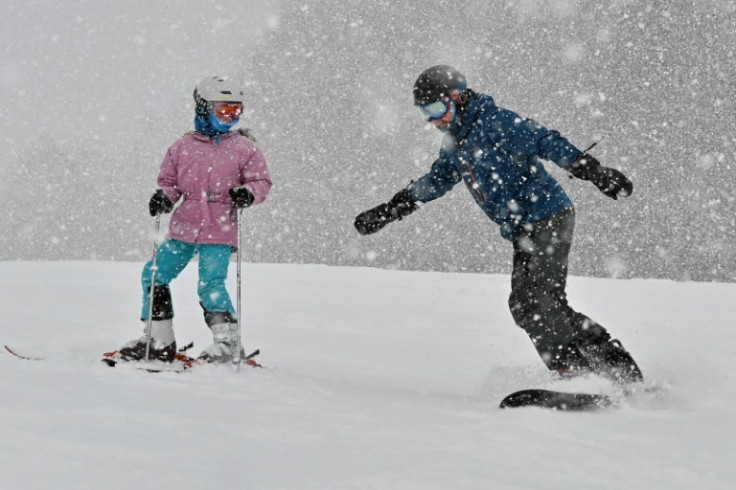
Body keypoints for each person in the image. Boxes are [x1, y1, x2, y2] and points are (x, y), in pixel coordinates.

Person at [355, 65, 643, 384]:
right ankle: (612, 363)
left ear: (458, 98)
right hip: (524, 229)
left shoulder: (495, 122)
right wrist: (393, 208)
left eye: (436, 108)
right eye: (426, 112)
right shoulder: (455, 144)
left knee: (538, 301)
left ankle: (573, 369)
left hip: (547, 215)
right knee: (525, 304)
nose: (432, 119)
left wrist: (592, 171)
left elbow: (545, 140)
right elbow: (436, 181)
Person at [116, 76, 273, 364]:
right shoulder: (182, 147)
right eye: (223, 111)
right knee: (154, 274)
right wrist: (164, 196)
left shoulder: (244, 148)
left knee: (210, 284)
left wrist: (248, 193)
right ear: (203, 108)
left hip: (220, 226)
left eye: (235, 112)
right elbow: (169, 181)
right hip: (184, 225)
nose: (230, 118)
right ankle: (158, 338)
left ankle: (228, 344)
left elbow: (261, 181)